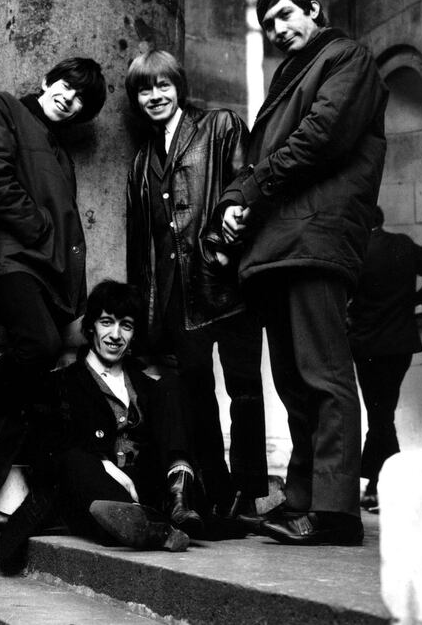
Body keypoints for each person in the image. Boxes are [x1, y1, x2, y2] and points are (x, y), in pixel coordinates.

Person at [217, 0, 388, 546]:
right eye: (268, 24)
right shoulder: (288, 77)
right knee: (294, 381)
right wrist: (235, 202)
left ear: (315, 8)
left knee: (323, 375)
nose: (278, 30)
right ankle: (302, 500)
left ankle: (336, 511)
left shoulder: (347, 57)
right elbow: (259, 161)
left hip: (314, 239)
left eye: (287, 15)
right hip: (281, 247)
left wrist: (252, 191)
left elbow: (321, 138)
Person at [0, 58, 107, 560]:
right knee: (40, 346)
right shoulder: (5, 108)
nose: (68, 97)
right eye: (66, 85)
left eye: (80, 98)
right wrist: (37, 228)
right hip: (10, 257)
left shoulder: (60, 151)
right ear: (46, 80)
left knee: (28, 388)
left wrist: (70, 288)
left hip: (46, 275)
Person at [125, 50, 268, 528]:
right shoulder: (142, 160)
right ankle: (216, 490)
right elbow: (141, 245)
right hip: (174, 300)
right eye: (144, 90)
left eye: (162, 86)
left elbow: (248, 186)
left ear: (179, 87)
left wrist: (220, 245)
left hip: (226, 285)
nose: (154, 97)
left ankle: (248, 494)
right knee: (197, 395)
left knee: (244, 389)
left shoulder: (221, 125)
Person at [9, 280, 203, 561]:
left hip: (148, 487)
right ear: (91, 328)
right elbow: (48, 448)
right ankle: (146, 525)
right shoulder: (62, 383)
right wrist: (104, 464)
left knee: (172, 385)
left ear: (134, 334)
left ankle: (176, 497)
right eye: (106, 322)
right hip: (94, 485)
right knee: (73, 461)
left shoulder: (149, 387)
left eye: (126, 325)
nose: (115, 335)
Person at [348, 205, 422, 511]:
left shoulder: (355, 252)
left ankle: (382, 486)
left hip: (367, 346)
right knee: (384, 416)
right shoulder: (403, 244)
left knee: (379, 417)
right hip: (401, 344)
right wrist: (418, 299)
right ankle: (378, 485)